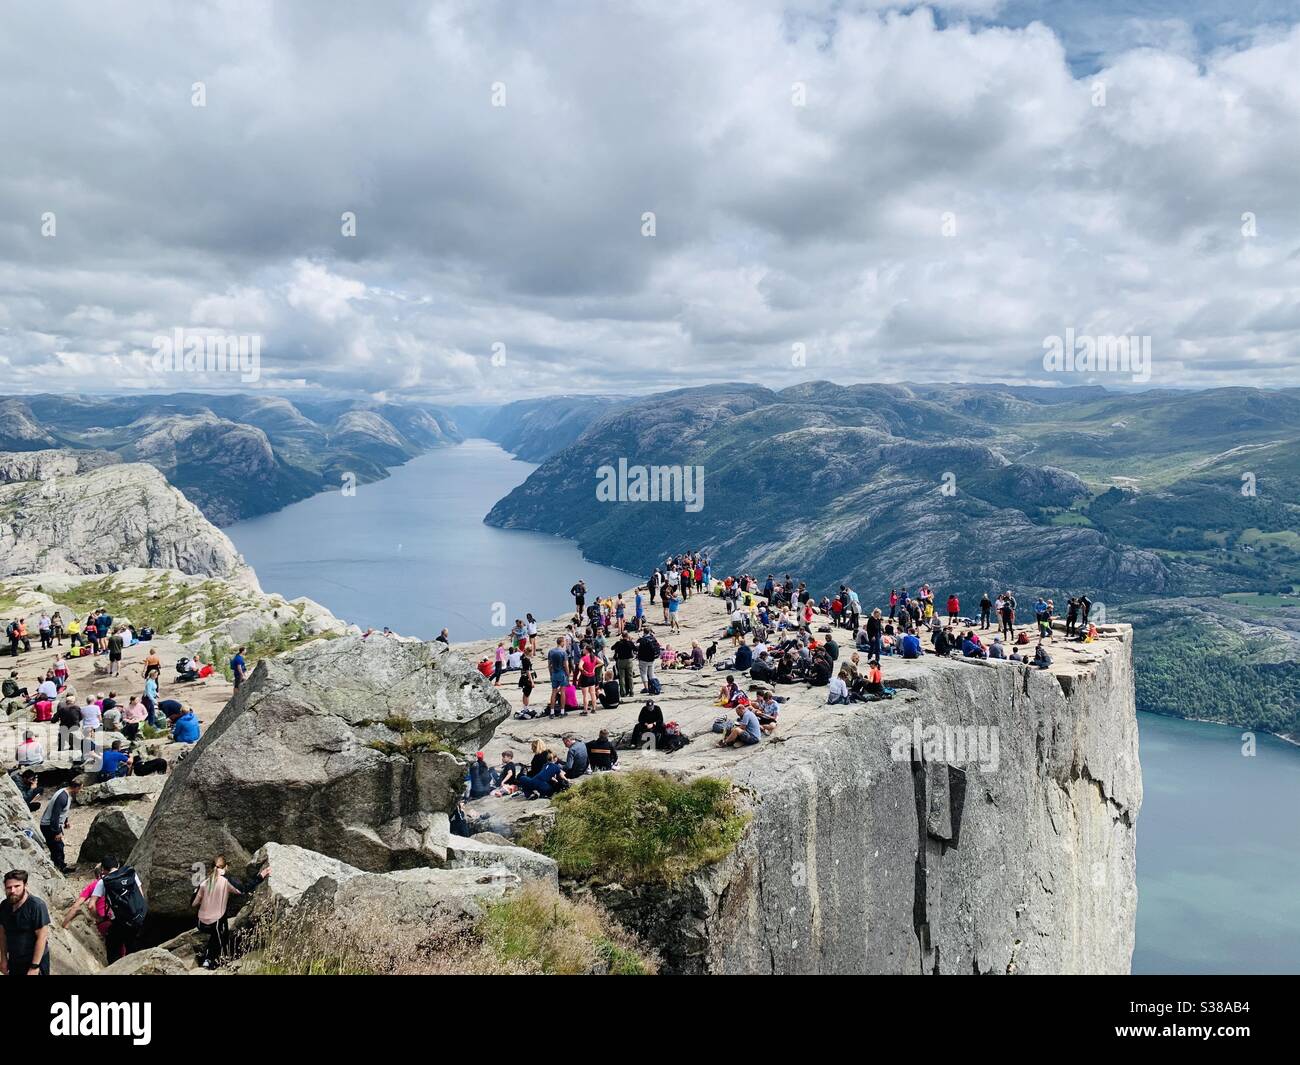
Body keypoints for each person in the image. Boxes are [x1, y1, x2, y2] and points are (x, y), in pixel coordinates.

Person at [192, 856, 244, 969]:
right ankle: (212, 960)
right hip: (215, 923)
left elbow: (194, 903)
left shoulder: (205, 882)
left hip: (202, 922)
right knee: (221, 932)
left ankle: (209, 959)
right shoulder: (225, 881)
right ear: (226, 867)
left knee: (218, 932)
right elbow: (241, 890)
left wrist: (196, 892)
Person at [93, 855, 147, 960]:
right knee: (133, 948)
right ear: (118, 865)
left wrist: (99, 918)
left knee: (113, 946)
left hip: (120, 921)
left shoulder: (104, 882)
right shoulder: (130, 873)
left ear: (103, 870)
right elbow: (141, 895)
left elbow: (91, 905)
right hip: (138, 916)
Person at [0, 870, 52, 976]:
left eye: (17, 886)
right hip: (14, 961)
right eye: (9, 887)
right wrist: (4, 959)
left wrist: (34, 967)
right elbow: (2, 934)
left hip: (34, 962)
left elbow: (42, 937)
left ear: (25, 885)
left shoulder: (37, 906)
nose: (13, 890)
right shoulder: (4, 906)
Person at [38, 779, 80, 874]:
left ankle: (61, 867)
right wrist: (57, 832)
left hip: (51, 825)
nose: (79, 791)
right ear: (76, 787)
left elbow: (62, 812)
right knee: (57, 847)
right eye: (79, 789)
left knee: (57, 847)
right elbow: (55, 816)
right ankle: (60, 869)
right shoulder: (63, 797)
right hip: (49, 826)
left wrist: (65, 821)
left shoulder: (64, 793)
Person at [545, 637, 569, 717]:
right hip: (561, 673)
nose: (564, 644)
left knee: (554, 692)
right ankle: (562, 712)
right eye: (564, 642)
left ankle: (552, 712)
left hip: (554, 673)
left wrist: (550, 674)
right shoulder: (563, 652)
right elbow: (566, 665)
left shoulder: (551, 652)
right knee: (562, 692)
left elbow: (549, 665)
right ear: (561, 642)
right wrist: (568, 674)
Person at [635, 628, 659, 694]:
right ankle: (654, 687)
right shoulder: (653, 638)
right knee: (651, 674)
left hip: (643, 659)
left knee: (644, 674)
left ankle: (646, 688)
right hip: (652, 659)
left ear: (644, 632)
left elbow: (638, 648)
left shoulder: (642, 640)